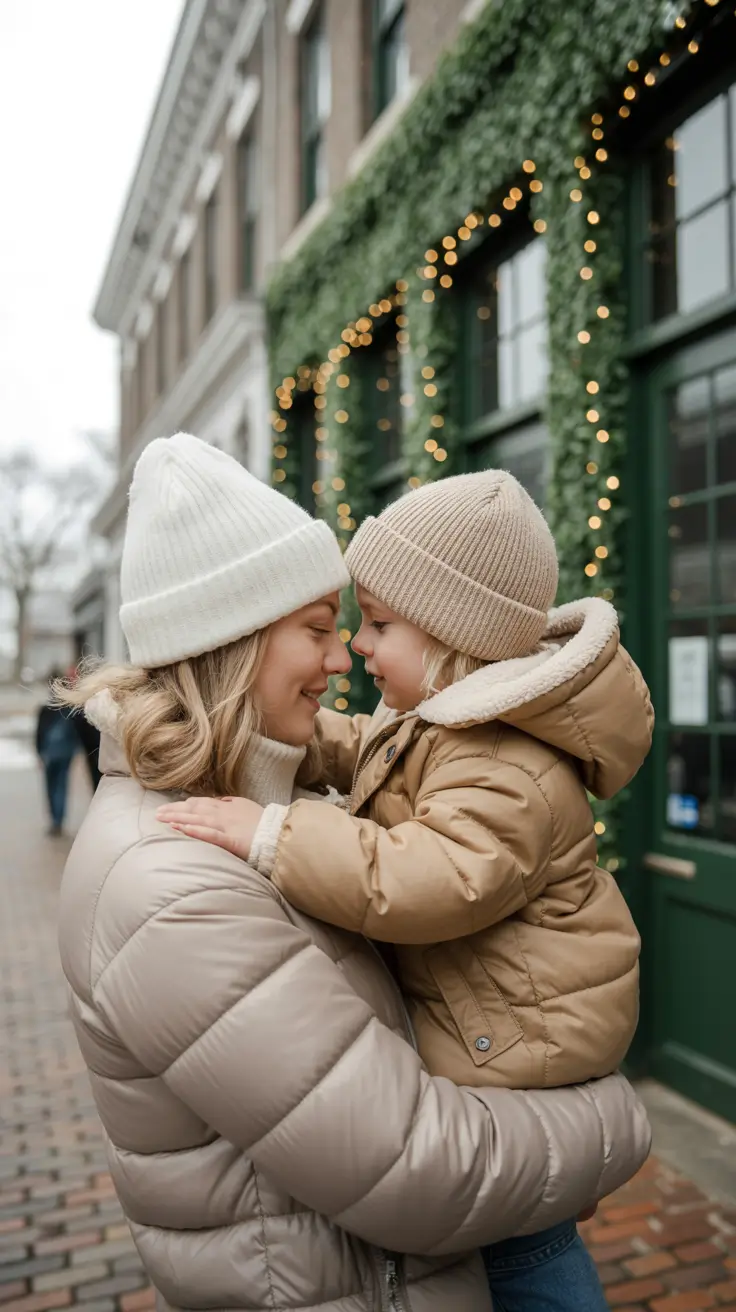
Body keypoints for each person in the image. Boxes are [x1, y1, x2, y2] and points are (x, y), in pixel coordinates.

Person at [58, 436, 650, 1312]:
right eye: (318, 630)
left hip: (509, 1102)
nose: (346, 657)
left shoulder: (492, 761)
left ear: (451, 641)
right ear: (235, 642)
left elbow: (424, 872)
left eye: (367, 626)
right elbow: (416, 1166)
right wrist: (618, 1126)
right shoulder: (168, 889)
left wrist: (273, 827)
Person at [35, 669, 79, 835]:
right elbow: (77, 733)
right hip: (66, 753)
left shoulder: (46, 708)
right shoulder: (69, 708)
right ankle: (58, 821)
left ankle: (55, 820)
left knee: (51, 786)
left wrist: (39, 753)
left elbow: (39, 733)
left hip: (49, 753)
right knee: (61, 786)